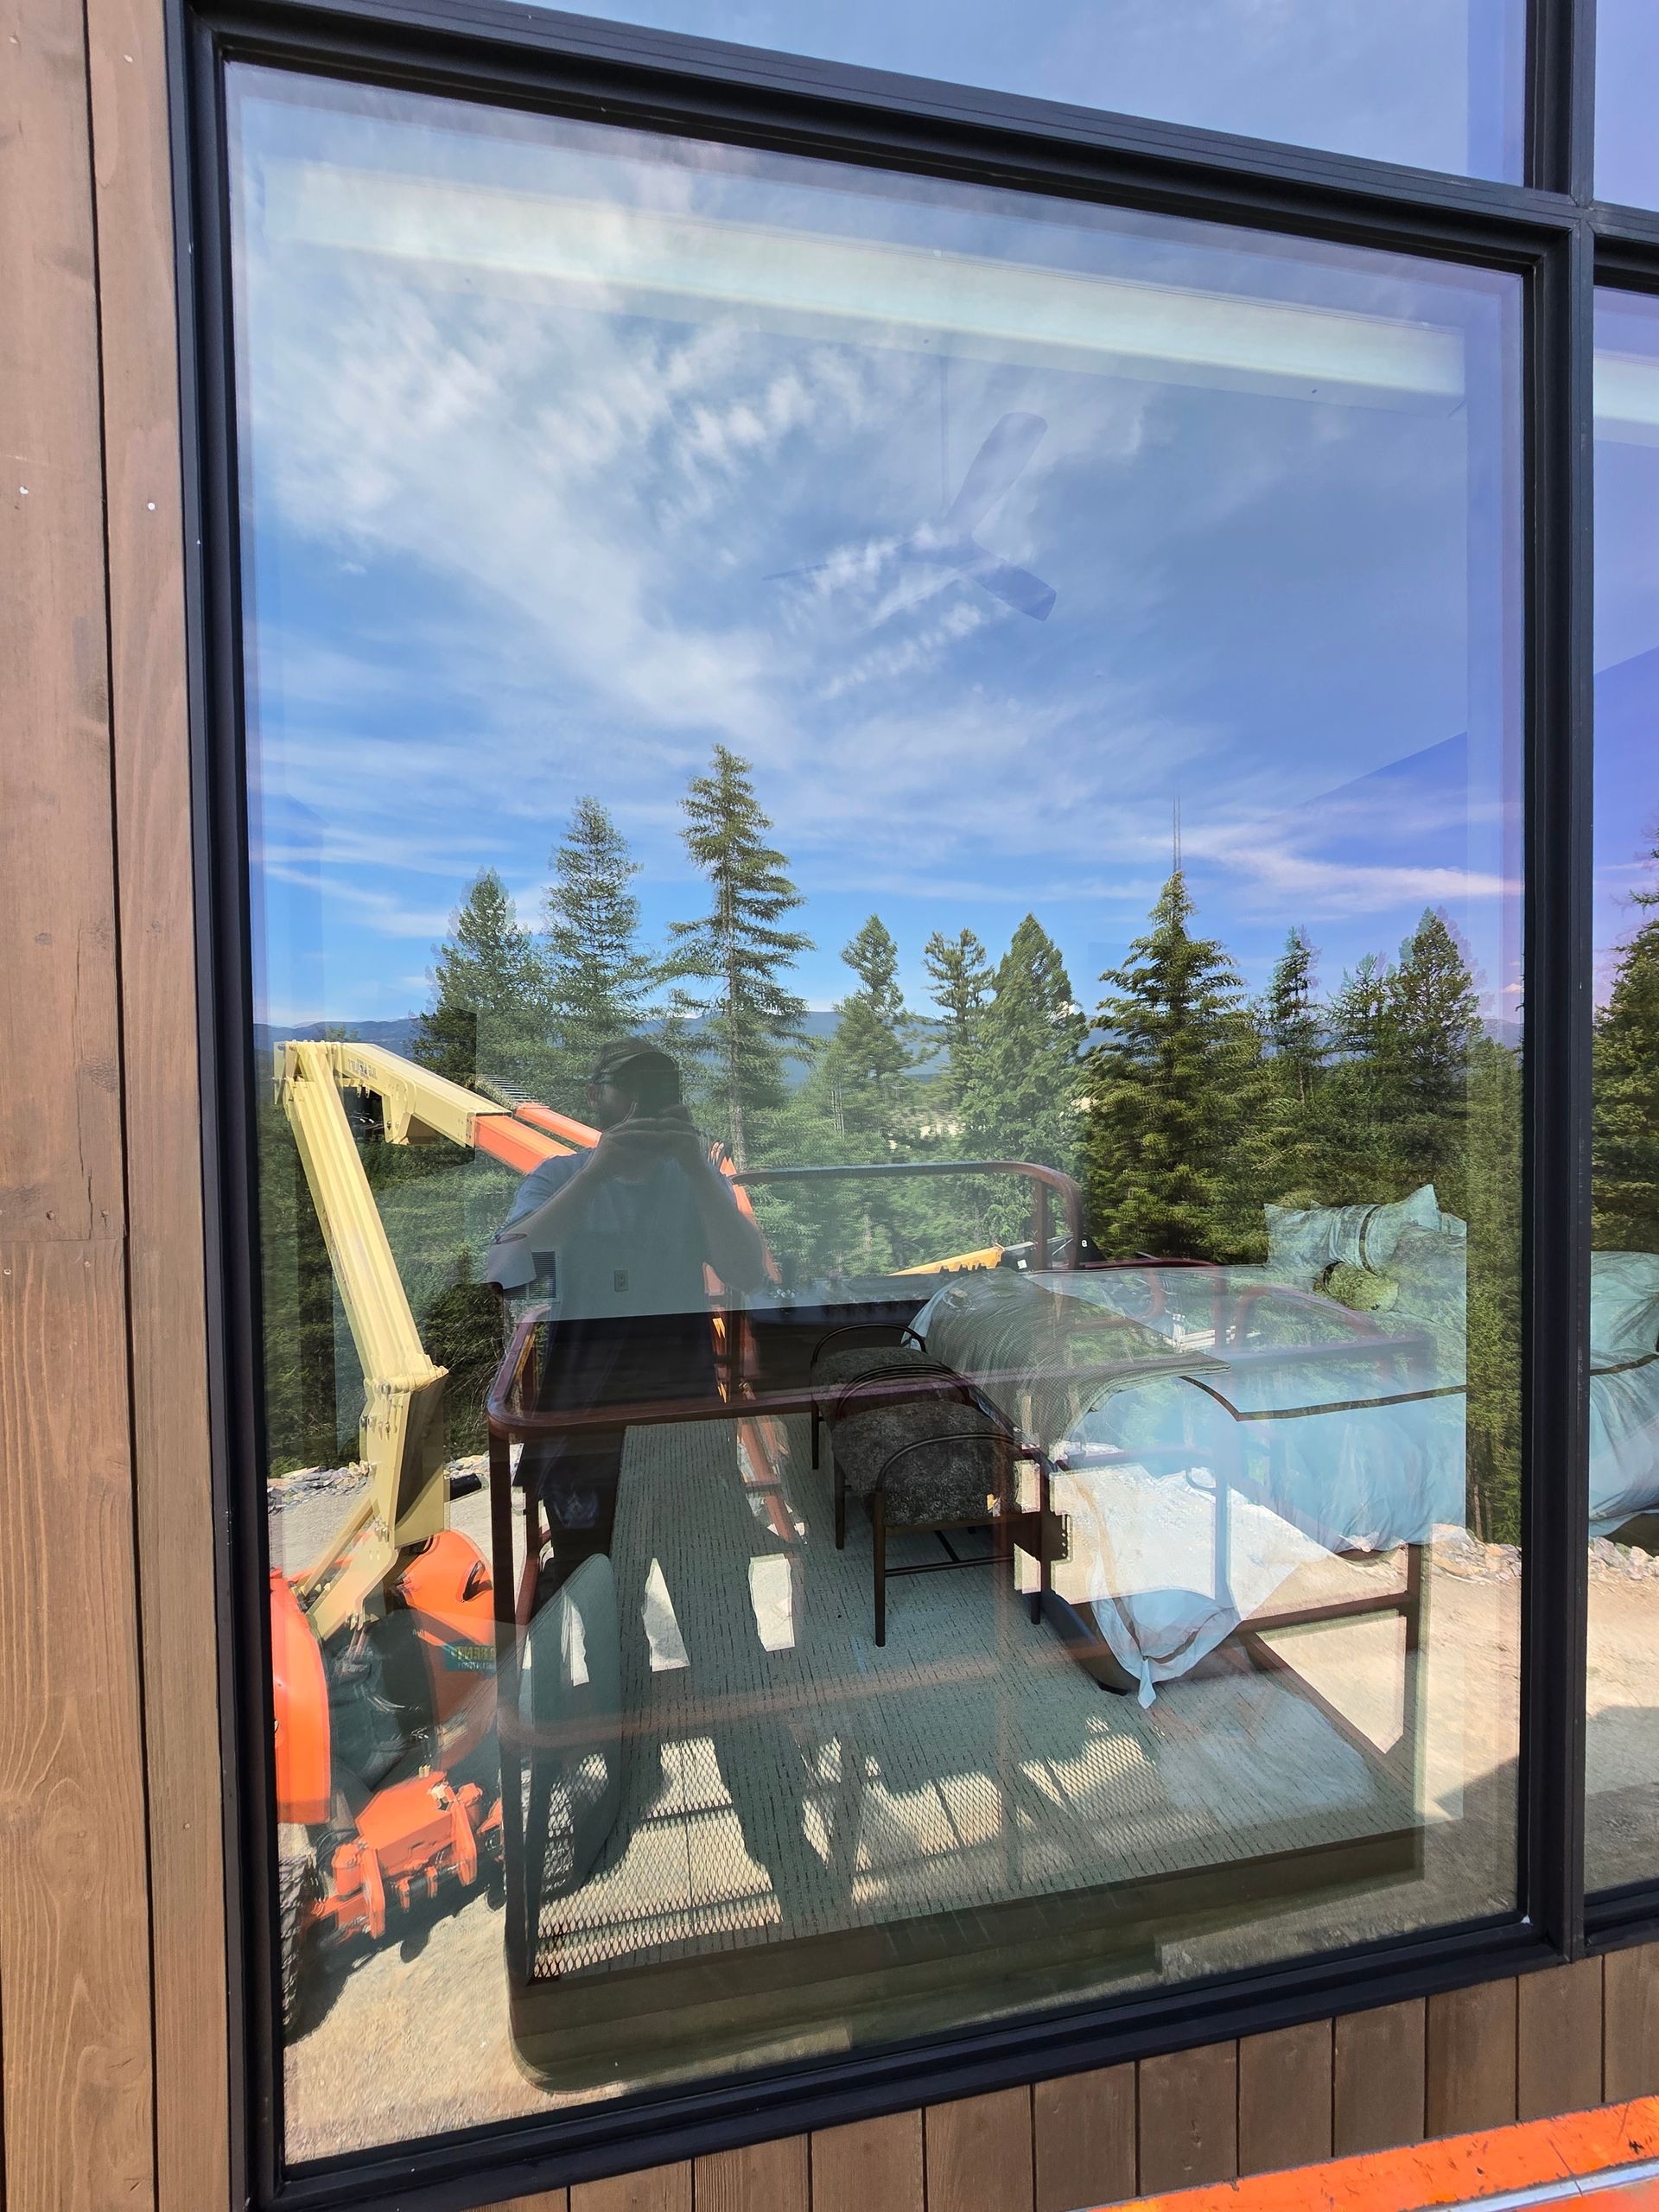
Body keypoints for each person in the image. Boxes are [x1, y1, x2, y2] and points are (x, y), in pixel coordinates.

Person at [486, 1037, 769, 1554]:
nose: (643, 1100)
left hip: (679, 1414)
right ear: (594, 1097)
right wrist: (598, 1173)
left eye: (659, 1086)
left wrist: (695, 1169)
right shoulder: (561, 1175)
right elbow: (506, 1274)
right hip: (588, 1412)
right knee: (602, 1587)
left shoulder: (695, 1180)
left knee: (716, 1599)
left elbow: (748, 1272)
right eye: (629, 1085)